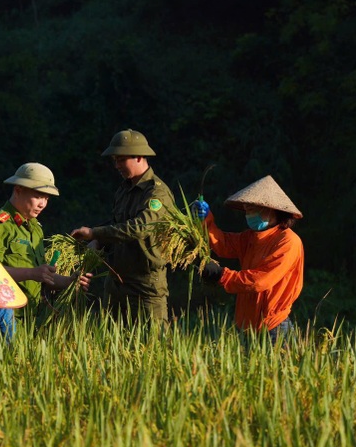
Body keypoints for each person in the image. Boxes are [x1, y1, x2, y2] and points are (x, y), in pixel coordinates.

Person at [70, 129, 175, 322]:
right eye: (115, 161)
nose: (117, 166)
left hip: (144, 285)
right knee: (111, 337)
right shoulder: (124, 189)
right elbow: (117, 225)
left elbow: (139, 228)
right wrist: (97, 241)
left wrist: (94, 233)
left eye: (121, 160)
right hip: (116, 282)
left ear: (139, 157)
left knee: (152, 339)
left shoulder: (157, 193)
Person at [194, 175, 304, 343]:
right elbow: (223, 244)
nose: (248, 214)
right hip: (247, 325)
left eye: (253, 209)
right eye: (247, 210)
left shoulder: (288, 242)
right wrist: (206, 220)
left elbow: (259, 281)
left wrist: (221, 275)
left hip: (273, 327)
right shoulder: (250, 237)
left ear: (271, 210)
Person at [0, 163, 84, 306]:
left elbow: (41, 276)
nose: (42, 204)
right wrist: (31, 273)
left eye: (46, 199)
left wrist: (70, 281)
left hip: (30, 314)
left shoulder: (35, 228)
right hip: (2, 313)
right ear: (18, 190)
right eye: (38, 196)